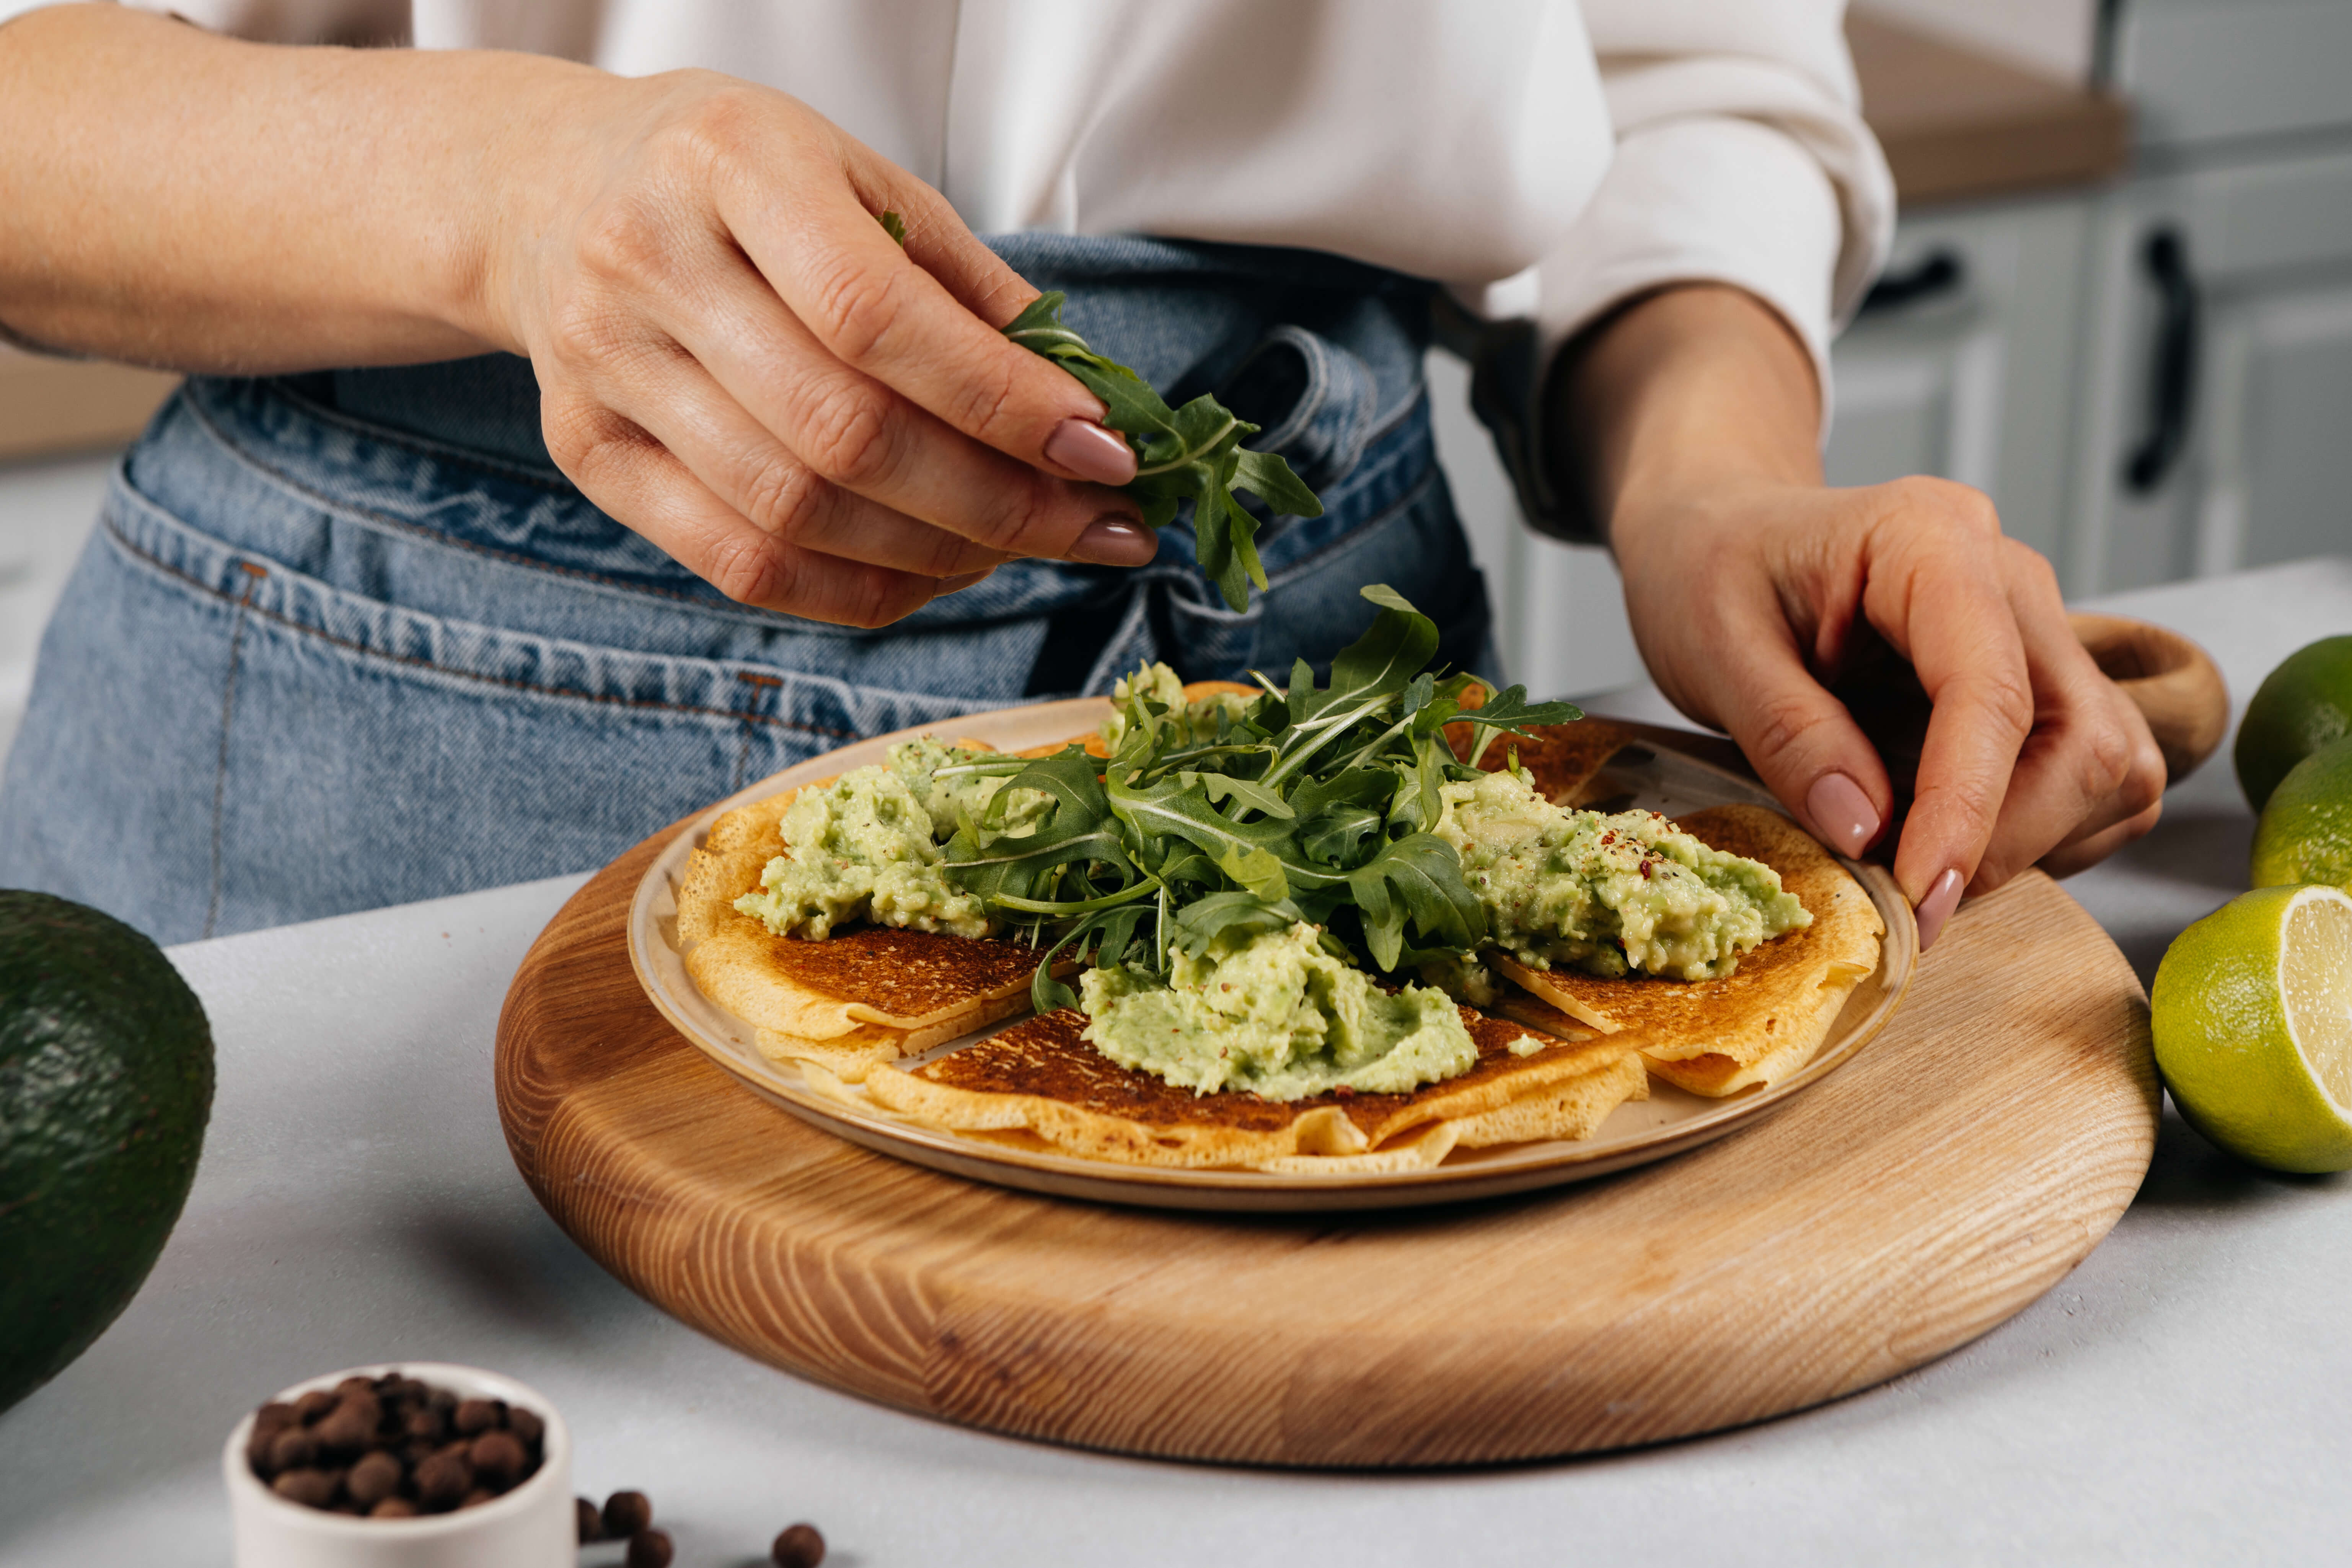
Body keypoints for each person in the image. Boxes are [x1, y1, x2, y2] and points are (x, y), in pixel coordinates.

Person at [0, 1, 2163, 949]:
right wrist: (508, 192)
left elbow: (1667, 67)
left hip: (1320, 674)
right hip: (400, 708)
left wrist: (1707, 479)